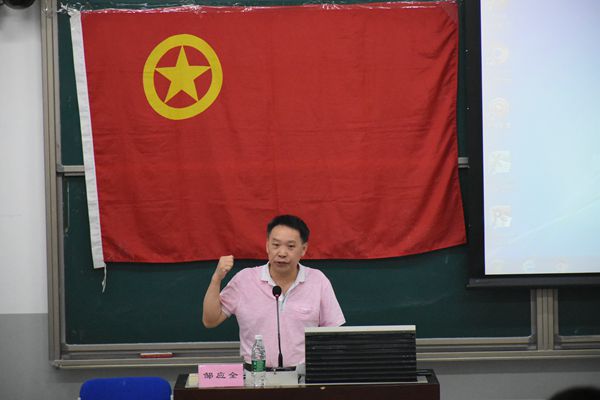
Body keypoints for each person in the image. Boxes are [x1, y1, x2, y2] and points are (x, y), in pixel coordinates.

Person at [202, 214, 345, 368]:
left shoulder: (318, 280)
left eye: (290, 246)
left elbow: (333, 334)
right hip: (255, 373)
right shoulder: (244, 279)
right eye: (276, 245)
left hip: (304, 373)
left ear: (303, 249)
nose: (282, 253)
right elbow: (210, 320)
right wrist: (216, 278)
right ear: (267, 246)